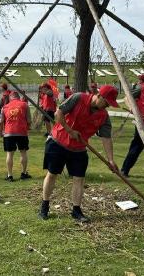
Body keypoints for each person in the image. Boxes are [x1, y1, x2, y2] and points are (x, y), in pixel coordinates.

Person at [39, 85, 119, 222]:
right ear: (99, 96)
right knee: (52, 174)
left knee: (79, 179)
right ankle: (44, 206)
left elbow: (106, 138)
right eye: (106, 102)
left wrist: (110, 160)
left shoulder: (103, 116)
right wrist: (70, 131)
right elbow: (58, 113)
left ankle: (76, 210)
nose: (107, 106)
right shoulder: (78, 98)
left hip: (79, 149)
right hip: (58, 142)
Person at [0, 91, 32, 182]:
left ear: (10, 98)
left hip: (9, 132)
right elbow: (29, 120)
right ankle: (23, 173)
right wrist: (27, 127)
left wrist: (0, 132)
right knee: (23, 152)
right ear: (18, 97)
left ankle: (10, 175)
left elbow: (0, 122)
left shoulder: (5, 107)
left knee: (10, 154)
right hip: (22, 132)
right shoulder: (25, 105)